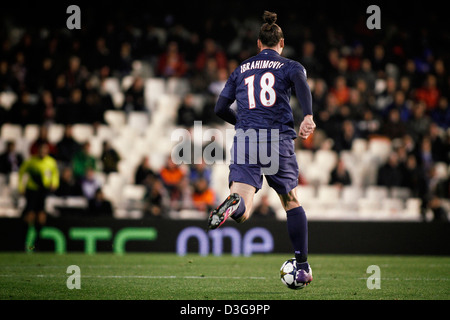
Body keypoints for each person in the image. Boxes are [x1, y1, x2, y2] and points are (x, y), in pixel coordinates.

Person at [207, 11, 315, 287]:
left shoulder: (240, 69)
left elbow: (219, 108)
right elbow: (302, 86)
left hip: (246, 138)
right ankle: (301, 266)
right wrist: (308, 116)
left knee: (243, 210)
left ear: (258, 43)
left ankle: (235, 204)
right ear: (281, 43)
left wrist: (241, 122)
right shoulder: (290, 66)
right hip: (276, 138)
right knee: (290, 200)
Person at [18, 143, 59, 251]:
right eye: (41, 150)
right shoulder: (31, 161)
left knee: (41, 217)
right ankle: (23, 241)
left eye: (45, 151)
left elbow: (55, 174)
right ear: (38, 151)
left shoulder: (50, 162)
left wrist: (54, 183)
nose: (43, 153)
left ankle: (37, 242)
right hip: (32, 191)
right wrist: (21, 187)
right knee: (30, 215)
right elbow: (21, 172)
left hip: (43, 191)